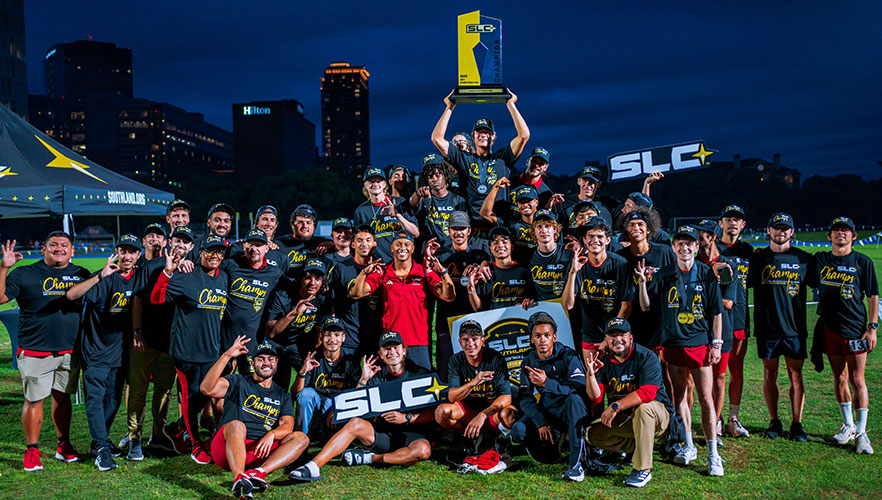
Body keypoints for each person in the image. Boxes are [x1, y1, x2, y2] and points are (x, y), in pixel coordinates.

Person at [289, 331, 436, 482]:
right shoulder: (378, 375)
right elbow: (355, 407)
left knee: (423, 451)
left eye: (395, 347)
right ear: (381, 353)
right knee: (354, 423)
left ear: (404, 350)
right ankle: (313, 466)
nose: (392, 352)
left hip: (412, 434)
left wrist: (407, 417)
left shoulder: (420, 373)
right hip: (383, 434)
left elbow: (434, 412)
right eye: (387, 349)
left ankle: (370, 458)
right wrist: (364, 380)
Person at [637, 225, 724, 476]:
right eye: (680, 244)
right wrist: (643, 283)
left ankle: (713, 454)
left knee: (706, 399)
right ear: (673, 247)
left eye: (689, 244)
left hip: (699, 344)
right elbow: (645, 307)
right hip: (673, 344)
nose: (684, 248)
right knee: (681, 398)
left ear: (697, 247)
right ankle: (688, 445)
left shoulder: (707, 274)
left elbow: (716, 312)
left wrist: (716, 344)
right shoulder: (664, 274)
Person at [0, 232, 91, 471]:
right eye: (54, 245)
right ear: (44, 249)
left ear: (72, 250)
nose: (59, 249)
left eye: (64, 245)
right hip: (34, 350)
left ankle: (63, 444)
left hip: (70, 350)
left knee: (62, 398)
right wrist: (3, 269)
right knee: (34, 399)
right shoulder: (25, 273)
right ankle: (32, 450)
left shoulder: (82, 274)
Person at [150, 234, 229, 464]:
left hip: (211, 350)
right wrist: (167, 272)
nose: (214, 256)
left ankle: (176, 429)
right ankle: (194, 443)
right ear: (200, 253)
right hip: (186, 351)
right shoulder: (186, 275)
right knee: (190, 395)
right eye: (209, 251)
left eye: (219, 252)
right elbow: (157, 299)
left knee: (205, 394)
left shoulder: (223, 277)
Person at [65, 235, 142, 470]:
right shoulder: (106, 277)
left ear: (138, 255)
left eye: (132, 251)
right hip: (96, 350)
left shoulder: (138, 277)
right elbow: (71, 295)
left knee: (113, 399)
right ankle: (101, 448)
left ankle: (99, 442)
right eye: (123, 250)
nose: (127, 255)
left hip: (119, 352)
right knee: (96, 399)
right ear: (117, 251)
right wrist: (100, 275)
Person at [201, 337, 309, 499]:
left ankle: (258, 473)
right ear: (252, 363)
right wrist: (227, 355)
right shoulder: (238, 381)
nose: (266, 363)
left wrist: (271, 435)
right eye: (261, 359)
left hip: (258, 451)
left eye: (270, 359)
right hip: (226, 449)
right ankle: (239, 479)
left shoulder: (281, 394)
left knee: (301, 438)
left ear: (276, 362)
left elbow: (287, 426)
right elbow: (206, 389)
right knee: (237, 425)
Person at [807, 217, 879, 454]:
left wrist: (872, 327)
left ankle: (862, 432)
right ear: (829, 236)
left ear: (853, 236)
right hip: (829, 327)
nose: (841, 233)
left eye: (846, 230)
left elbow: (872, 296)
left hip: (856, 328)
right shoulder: (820, 260)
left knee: (858, 380)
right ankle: (848, 425)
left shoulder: (862, 261)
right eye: (836, 230)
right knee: (839, 377)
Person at [128, 226, 195, 457]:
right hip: (146, 340)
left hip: (171, 345)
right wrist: (137, 332)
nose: (180, 245)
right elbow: (137, 299)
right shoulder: (151, 267)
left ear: (191, 247)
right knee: (138, 391)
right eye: (177, 240)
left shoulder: (192, 271)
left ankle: (158, 436)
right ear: (169, 242)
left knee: (164, 392)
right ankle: (134, 438)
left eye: (185, 242)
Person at [584, 318, 673, 488]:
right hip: (628, 419)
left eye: (622, 335)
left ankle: (642, 469)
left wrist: (615, 406)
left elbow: (648, 392)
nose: (617, 339)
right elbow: (596, 397)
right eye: (612, 336)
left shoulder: (646, 356)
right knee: (593, 433)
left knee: (644, 408)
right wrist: (591, 375)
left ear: (631, 337)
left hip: (658, 417)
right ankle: (635, 449)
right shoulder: (605, 361)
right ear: (606, 341)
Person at [350, 231, 455, 370]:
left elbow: (449, 296)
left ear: (413, 248)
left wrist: (443, 272)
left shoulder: (423, 272)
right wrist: (364, 273)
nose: (402, 247)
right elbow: (356, 293)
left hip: (418, 342)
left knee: (422, 386)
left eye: (407, 244)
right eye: (398, 244)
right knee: (393, 387)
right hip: (392, 343)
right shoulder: (383, 272)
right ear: (391, 248)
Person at [748, 213, 811, 442]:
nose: (780, 232)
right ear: (768, 230)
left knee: (796, 375)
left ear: (792, 231)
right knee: (769, 374)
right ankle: (774, 420)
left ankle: (797, 423)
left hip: (794, 328)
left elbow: (821, 286)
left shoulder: (804, 259)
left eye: (785, 228)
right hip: (767, 328)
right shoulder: (758, 259)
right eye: (776, 228)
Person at [432, 91, 530, 228]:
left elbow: (524, 135)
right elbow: (437, 138)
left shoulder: (503, 158)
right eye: (479, 132)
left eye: (487, 132)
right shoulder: (464, 159)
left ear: (494, 136)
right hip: (472, 228)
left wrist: (510, 104)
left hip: (498, 226)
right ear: (473, 136)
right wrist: (450, 106)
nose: (483, 135)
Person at [510, 312, 588, 481]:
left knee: (574, 400)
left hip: (570, 410)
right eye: (538, 336)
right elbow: (525, 397)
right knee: (517, 431)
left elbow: (580, 389)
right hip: (548, 410)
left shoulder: (569, 356)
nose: (542, 340)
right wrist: (540, 421)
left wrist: (547, 384)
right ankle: (551, 451)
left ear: (554, 337)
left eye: (547, 335)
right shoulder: (528, 361)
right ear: (532, 339)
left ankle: (576, 465)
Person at [435, 320, 517, 450]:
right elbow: (451, 397)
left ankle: (502, 438)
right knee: (441, 412)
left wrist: (483, 415)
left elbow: (506, 397)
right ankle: (469, 434)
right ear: (460, 342)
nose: (470, 344)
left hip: (490, 412)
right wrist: (474, 382)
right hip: (468, 411)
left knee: (510, 413)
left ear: (482, 341)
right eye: (466, 340)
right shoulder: (456, 360)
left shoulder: (495, 358)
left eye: (474, 339)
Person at [695, 220, 739, 444]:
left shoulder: (725, 265)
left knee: (719, 378)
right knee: (696, 380)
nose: (697, 237)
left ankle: (717, 421)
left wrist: (700, 297)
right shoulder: (692, 263)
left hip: (722, 331)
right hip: (696, 330)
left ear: (712, 237)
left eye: (701, 234)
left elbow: (728, 302)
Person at [433, 212, 491, 379]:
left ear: (469, 231)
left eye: (462, 229)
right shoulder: (440, 256)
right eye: (454, 229)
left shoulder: (480, 255)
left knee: (476, 367)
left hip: (474, 317)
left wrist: (484, 264)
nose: (458, 232)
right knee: (446, 370)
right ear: (449, 231)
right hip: (447, 319)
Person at [561, 217, 633, 353]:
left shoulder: (620, 264)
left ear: (608, 240)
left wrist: (610, 337)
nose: (595, 240)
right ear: (584, 239)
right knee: (591, 373)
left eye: (600, 236)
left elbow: (626, 305)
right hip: (590, 336)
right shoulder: (578, 264)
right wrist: (573, 272)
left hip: (615, 336)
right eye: (591, 236)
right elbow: (567, 305)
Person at [220, 229, 283, 372]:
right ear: (244, 246)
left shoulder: (274, 273)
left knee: (251, 384)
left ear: (267, 248)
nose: (254, 249)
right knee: (223, 381)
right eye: (251, 244)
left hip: (254, 338)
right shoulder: (230, 265)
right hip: (227, 337)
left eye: (259, 245)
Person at [265, 258, 331, 391]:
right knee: (278, 385)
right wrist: (294, 312)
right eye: (308, 278)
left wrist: (318, 344)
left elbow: (320, 325)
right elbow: (271, 332)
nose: (312, 283)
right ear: (300, 279)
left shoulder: (322, 299)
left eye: (317, 279)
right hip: (277, 343)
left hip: (299, 344)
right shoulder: (282, 295)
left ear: (322, 282)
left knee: (311, 377)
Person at [717, 204, 754, 438]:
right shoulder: (712, 249)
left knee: (736, 371)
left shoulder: (749, 251)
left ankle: (733, 418)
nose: (732, 223)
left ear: (743, 225)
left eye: (737, 219)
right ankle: (716, 418)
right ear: (720, 223)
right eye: (728, 218)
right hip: (718, 319)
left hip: (740, 317)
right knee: (717, 374)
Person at [615, 209, 675, 349]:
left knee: (664, 366)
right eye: (631, 225)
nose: (636, 228)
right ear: (626, 231)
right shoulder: (620, 258)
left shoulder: (663, 252)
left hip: (660, 319)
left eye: (640, 224)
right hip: (633, 319)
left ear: (649, 229)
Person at [292, 316, 359, 435]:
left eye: (337, 335)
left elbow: (355, 395)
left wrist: (339, 408)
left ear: (343, 338)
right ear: (321, 337)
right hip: (318, 405)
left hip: (340, 406)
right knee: (306, 394)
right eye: (328, 335)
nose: (332, 340)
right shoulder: (313, 357)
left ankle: (336, 439)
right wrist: (302, 373)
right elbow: (296, 393)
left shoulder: (350, 361)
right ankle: (302, 438)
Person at [326, 225, 383, 356]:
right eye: (359, 240)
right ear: (353, 244)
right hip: (349, 334)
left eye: (368, 240)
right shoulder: (341, 267)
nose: (364, 244)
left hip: (375, 333)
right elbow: (333, 301)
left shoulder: (381, 268)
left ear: (374, 243)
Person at [353, 168, 420, 263]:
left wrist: (397, 215)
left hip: (402, 264)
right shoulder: (361, 211)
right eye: (371, 181)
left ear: (384, 184)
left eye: (378, 181)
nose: (375, 184)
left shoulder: (399, 202)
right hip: (379, 266)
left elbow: (415, 233)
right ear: (365, 185)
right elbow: (358, 242)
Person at [467, 226, 535, 311]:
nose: (500, 245)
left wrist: (528, 303)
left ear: (512, 247)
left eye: (504, 242)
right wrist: (471, 288)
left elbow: (533, 300)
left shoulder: (525, 272)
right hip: (496, 323)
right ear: (490, 249)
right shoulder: (485, 274)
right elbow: (478, 309)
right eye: (495, 243)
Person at [409, 153, 467, 249]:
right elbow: (412, 203)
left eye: (437, 175)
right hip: (431, 251)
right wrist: (418, 194)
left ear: (445, 175)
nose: (434, 179)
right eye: (430, 177)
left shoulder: (458, 200)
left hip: (453, 250)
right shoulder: (423, 198)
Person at [528, 210, 573, 301]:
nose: (544, 231)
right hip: (539, 306)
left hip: (564, 304)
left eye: (548, 226)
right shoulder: (528, 256)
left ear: (555, 230)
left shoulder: (568, 251)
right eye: (539, 227)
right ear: (533, 232)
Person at [277, 204, 332, 277]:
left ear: (314, 226)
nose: (305, 226)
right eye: (300, 222)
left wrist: (333, 244)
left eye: (308, 222)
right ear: (292, 225)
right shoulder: (280, 243)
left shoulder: (323, 243)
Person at [506, 146, 555, 212]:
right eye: (534, 161)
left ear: (545, 167)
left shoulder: (547, 195)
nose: (537, 165)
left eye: (541, 163)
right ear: (527, 161)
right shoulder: (509, 181)